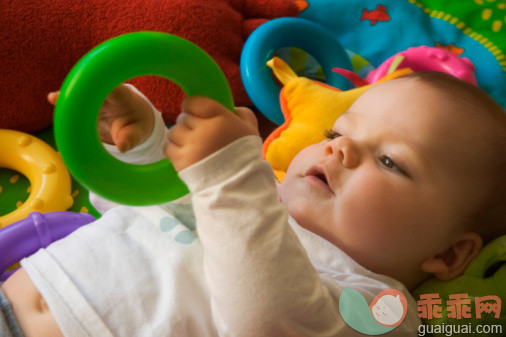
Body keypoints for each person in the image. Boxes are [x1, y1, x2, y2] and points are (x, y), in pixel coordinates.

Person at [1, 71, 505, 337]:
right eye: (338, 132)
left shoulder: (380, 309)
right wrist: (142, 141)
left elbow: (264, 321)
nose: (338, 149)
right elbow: (142, 204)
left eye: (391, 161)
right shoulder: (251, 190)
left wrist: (228, 175)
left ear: (450, 255)